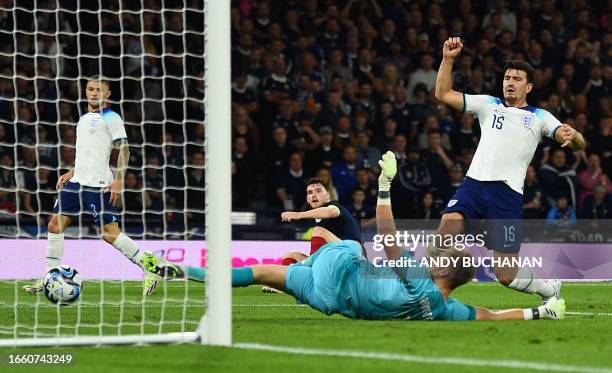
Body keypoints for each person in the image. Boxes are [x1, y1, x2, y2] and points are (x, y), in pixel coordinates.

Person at [143, 152, 566, 322]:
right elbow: (490, 317)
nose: (443, 250)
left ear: (442, 267)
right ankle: (181, 270)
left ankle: (178, 270)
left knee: (325, 240)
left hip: (340, 265)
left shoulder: (419, 276)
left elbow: (387, 235)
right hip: (328, 301)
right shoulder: (443, 309)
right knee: (263, 273)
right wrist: (538, 314)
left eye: (447, 252)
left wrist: (384, 185)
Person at [433, 37, 585, 301]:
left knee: (505, 273)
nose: (510, 82)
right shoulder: (487, 105)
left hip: (507, 195)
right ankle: (435, 293)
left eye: (516, 79)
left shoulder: (539, 117)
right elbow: (443, 94)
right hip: (473, 186)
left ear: (528, 86)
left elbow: (573, 141)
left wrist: (574, 135)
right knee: (445, 232)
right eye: (507, 78)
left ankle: (549, 289)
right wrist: (448, 60)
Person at [23, 77, 158, 296]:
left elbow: (124, 150)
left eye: (99, 90)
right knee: (54, 226)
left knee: (109, 234)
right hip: (77, 183)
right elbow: (87, 154)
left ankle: (149, 267)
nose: (94, 93)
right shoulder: (84, 119)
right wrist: (72, 172)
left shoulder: (112, 118)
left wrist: (119, 180)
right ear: (86, 92)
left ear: (108, 94)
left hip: (98, 185)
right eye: (91, 89)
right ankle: (50, 277)